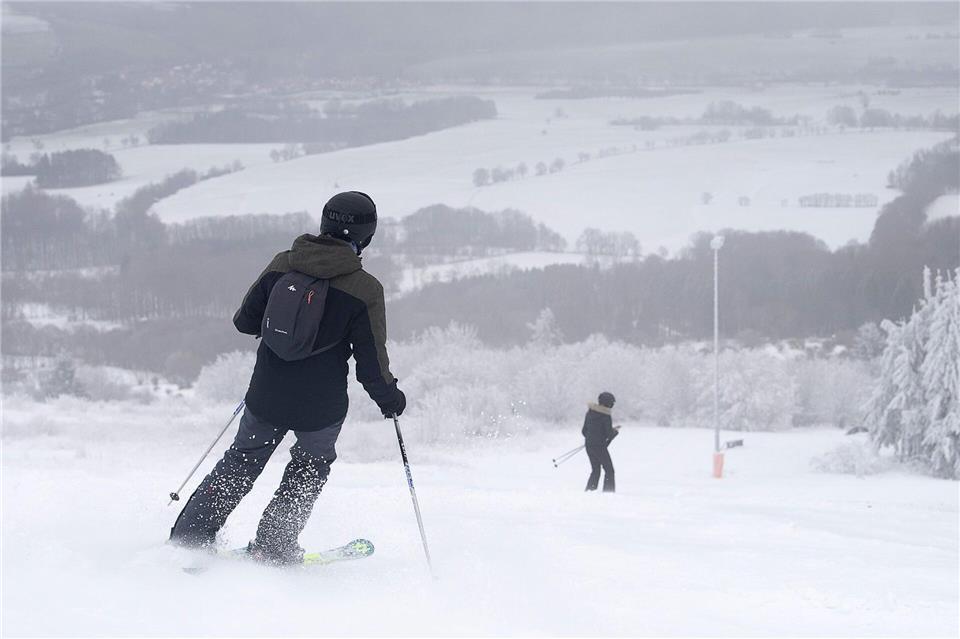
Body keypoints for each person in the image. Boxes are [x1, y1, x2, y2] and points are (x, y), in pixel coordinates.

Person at [169, 191, 406, 564]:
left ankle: (189, 538)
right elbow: (370, 364)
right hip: (321, 407)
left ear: (324, 223)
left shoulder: (284, 264)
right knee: (308, 470)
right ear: (367, 236)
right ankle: (273, 546)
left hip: (266, 393)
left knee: (242, 461)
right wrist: (390, 398)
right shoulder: (365, 289)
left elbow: (244, 321)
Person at [582, 391, 619, 492]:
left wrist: (592, 438)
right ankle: (608, 492)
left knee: (595, 470)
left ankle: (590, 491)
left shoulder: (589, 413)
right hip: (599, 447)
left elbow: (584, 431)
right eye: (612, 403)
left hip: (589, 445)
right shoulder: (606, 415)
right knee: (609, 471)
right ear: (608, 403)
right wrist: (615, 431)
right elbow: (609, 434)